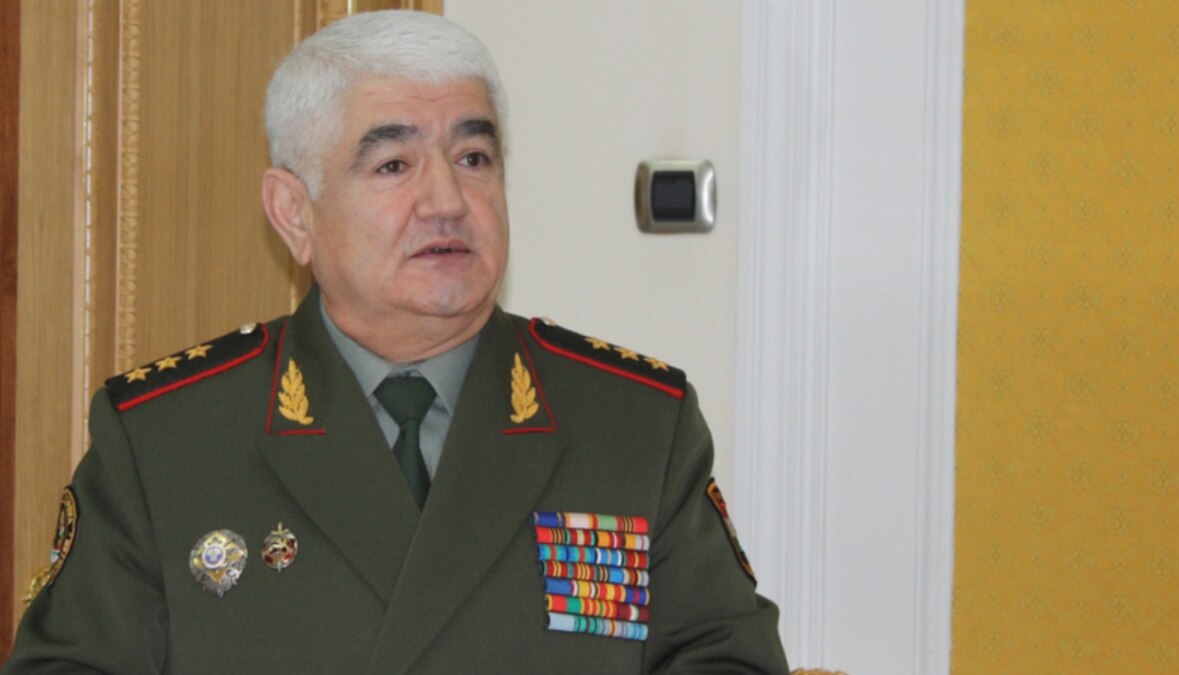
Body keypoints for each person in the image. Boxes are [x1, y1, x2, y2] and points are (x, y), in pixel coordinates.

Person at [3, 10, 788, 673]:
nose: (446, 199)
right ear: (294, 213)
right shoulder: (167, 439)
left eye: (473, 157)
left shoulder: (634, 427)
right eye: (393, 164)